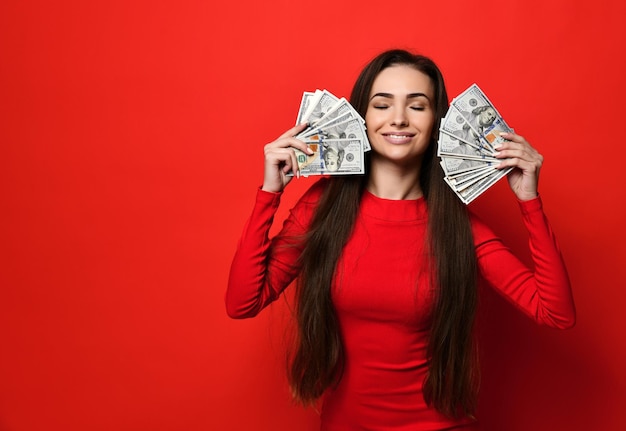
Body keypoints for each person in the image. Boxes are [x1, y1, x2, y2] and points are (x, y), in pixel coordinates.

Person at [226, 49, 575, 430]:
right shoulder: (322, 207)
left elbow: (555, 312)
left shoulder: (457, 227)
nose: (398, 119)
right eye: (381, 104)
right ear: (361, 118)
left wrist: (529, 201)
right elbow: (243, 302)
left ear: (437, 123)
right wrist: (269, 194)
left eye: (418, 105)